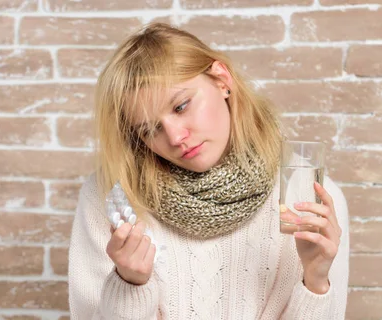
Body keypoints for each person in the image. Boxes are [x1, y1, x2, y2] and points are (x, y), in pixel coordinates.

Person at [68, 22, 349, 319]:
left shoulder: (311, 198)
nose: (175, 137)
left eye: (180, 106)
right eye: (150, 129)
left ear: (221, 79)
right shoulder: (112, 199)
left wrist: (316, 281)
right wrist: (129, 285)